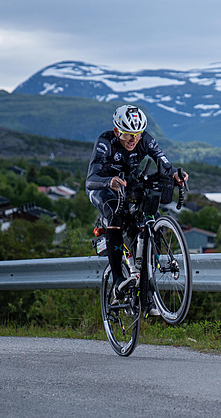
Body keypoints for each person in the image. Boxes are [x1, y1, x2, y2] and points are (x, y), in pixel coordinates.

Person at [86, 104, 188, 304]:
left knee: (153, 218)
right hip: (102, 186)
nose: (134, 139)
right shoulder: (105, 142)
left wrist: (176, 175)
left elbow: (164, 163)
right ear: (117, 131)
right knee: (115, 214)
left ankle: (146, 283)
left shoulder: (145, 139)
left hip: (128, 183)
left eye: (138, 134)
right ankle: (117, 280)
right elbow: (91, 179)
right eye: (128, 134)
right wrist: (109, 181)